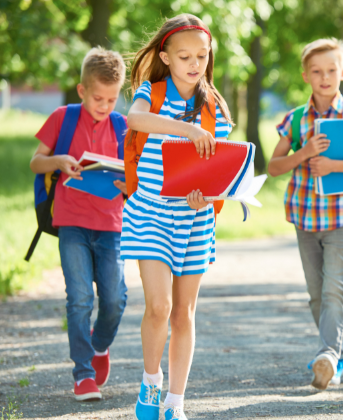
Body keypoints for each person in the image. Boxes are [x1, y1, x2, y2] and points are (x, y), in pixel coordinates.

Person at [122, 14, 234, 420]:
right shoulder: (149, 93)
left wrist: (207, 196)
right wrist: (184, 131)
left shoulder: (214, 106)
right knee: (158, 307)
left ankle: (175, 403)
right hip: (149, 213)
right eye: (184, 55)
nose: (194, 63)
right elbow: (135, 121)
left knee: (184, 313)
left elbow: (217, 168)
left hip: (194, 220)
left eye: (201, 56)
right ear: (165, 57)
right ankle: (151, 383)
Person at [267, 38, 343, 390]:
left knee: (335, 290)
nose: (325, 77)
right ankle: (335, 355)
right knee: (317, 294)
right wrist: (305, 153)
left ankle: (327, 355)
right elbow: (274, 166)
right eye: (317, 71)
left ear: (342, 72)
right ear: (306, 76)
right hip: (305, 219)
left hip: (341, 218)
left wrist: (332, 164)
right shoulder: (296, 119)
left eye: (332, 70)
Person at [29, 47, 128, 401]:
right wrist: (58, 160)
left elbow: (135, 177)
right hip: (71, 223)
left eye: (112, 99)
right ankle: (83, 373)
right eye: (98, 97)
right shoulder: (63, 117)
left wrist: (127, 183)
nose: (104, 105)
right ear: (82, 90)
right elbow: (35, 163)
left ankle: (99, 346)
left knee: (115, 299)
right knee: (80, 298)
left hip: (112, 225)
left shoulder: (123, 126)